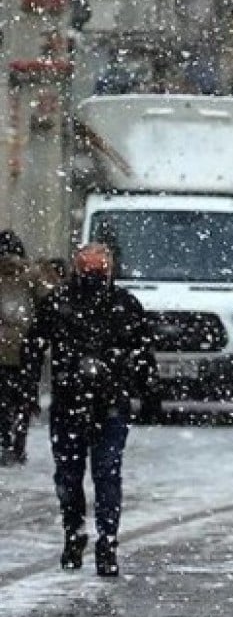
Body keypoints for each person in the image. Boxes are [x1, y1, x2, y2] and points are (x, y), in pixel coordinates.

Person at [25, 243, 154, 577]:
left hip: (105, 403)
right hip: (75, 403)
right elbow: (34, 346)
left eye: (98, 267)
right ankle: (78, 533)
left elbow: (142, 352)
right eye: (88, 267)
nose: (93, 273)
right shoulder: (62, 303)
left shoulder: (121, 305)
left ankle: (104, 540)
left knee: (101, 474)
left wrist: (142, 388)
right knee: (76, 475)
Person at [0, 231, 46, 465]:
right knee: (24, 399)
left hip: (4, 350)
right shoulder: (32, 275)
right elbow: (47, 304)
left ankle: (5, 442)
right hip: (27, 350)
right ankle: (18, 444)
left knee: (3, 400)